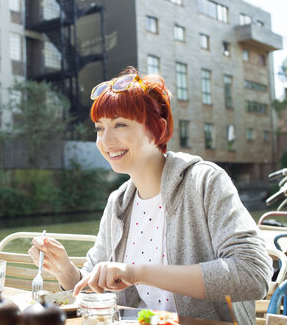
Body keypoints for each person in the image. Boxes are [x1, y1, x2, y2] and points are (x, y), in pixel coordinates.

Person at [28, 66, 272, 324]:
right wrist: (65, 271)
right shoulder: (118, 203)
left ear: (157, 128)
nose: (106, 140)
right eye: (100, 128)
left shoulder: (204, 181)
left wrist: (137, 273)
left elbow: (253, 273)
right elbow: (92, 289)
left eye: (119, 124)